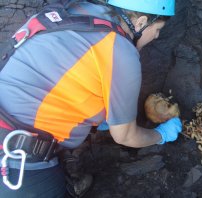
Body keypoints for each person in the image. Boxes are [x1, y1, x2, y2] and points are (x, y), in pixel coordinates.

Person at [0, 0, 181, 197]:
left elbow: (63, 73)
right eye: (157, 28)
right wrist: (161, 134)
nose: (157, 35)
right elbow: (126, 136)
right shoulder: (120, 51)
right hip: (16, 159)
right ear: (141, 22)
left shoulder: (75, 9)